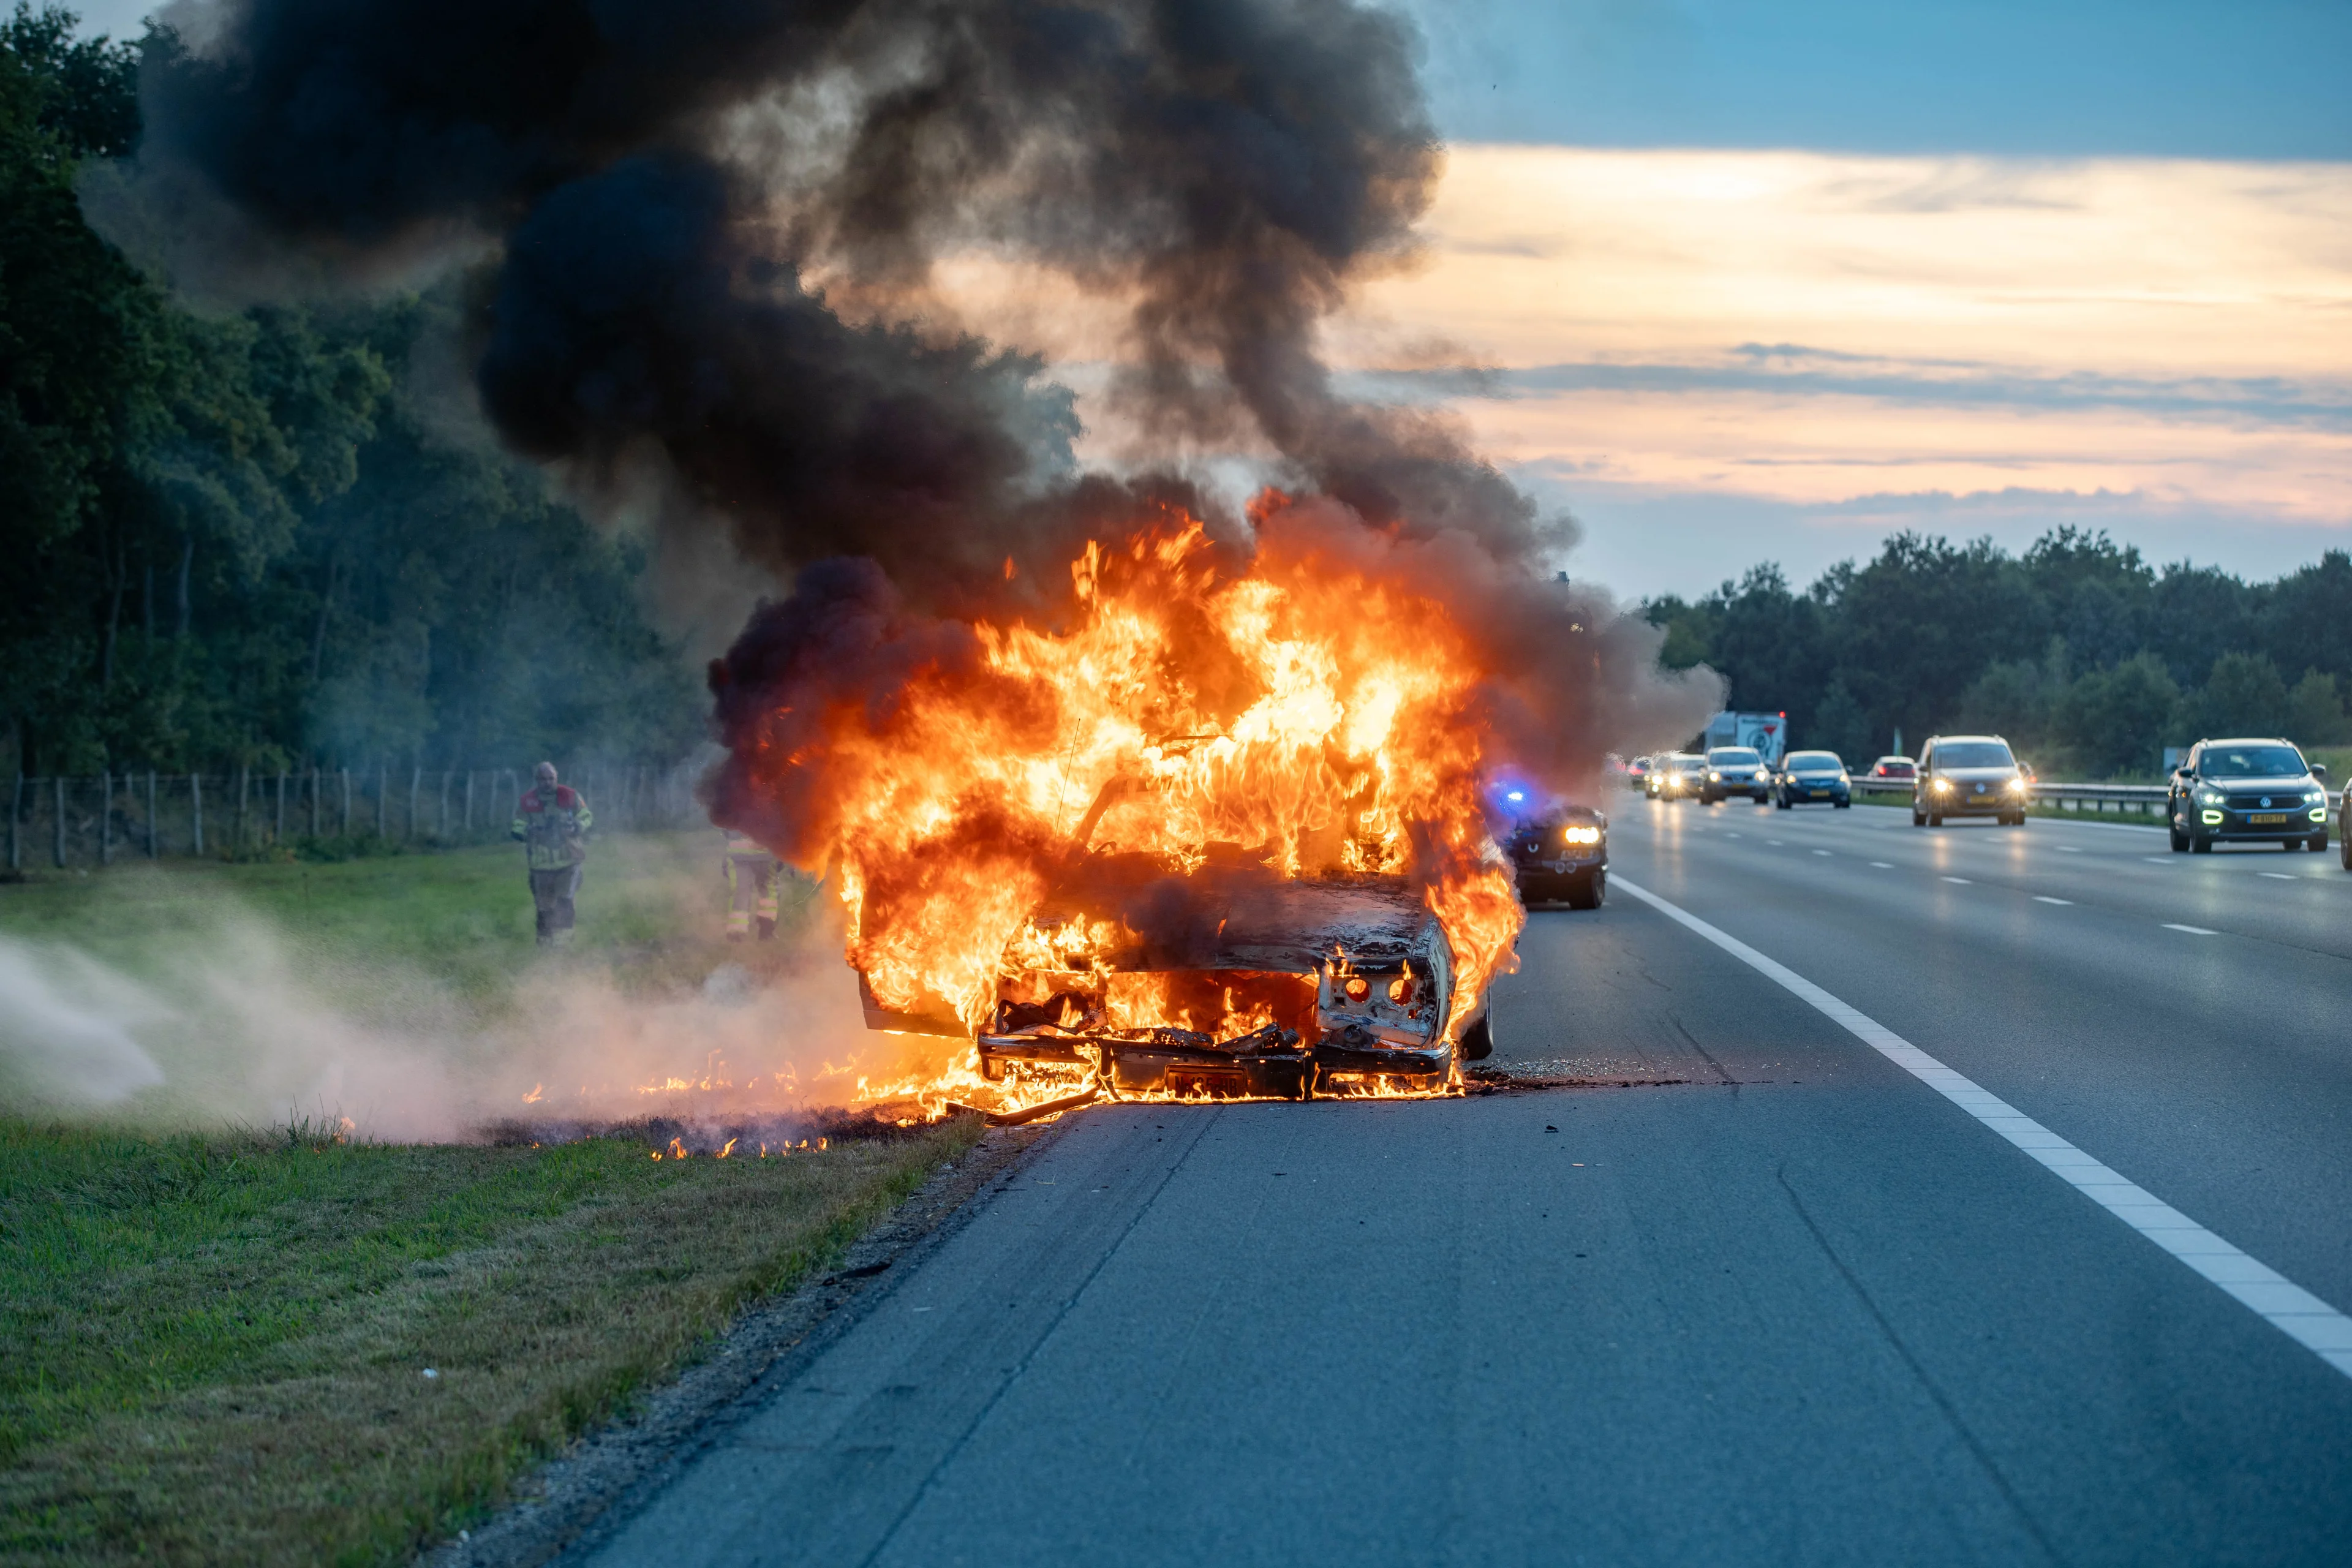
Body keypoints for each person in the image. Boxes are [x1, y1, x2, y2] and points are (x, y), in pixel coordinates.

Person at [511, 762, 592, 946]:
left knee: (565, 900)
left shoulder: (570, 795)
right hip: (540, 863)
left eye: (551, 779)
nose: (547, 783)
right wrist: (527, 831)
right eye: (543, 779)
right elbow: (517, 824)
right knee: (544, 906)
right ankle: (545, 943)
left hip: (569, 859)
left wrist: (577, 826)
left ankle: (564, 941)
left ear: (556, 778)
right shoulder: (527, 801)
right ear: (536, 780)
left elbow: (586, 816)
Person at [723, 829, 783, 941]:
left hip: (738, 855)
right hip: (766, 855)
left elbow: (724, 825)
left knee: (741, 892)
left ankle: (736, 933)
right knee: (769, 891)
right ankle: (766, 931)